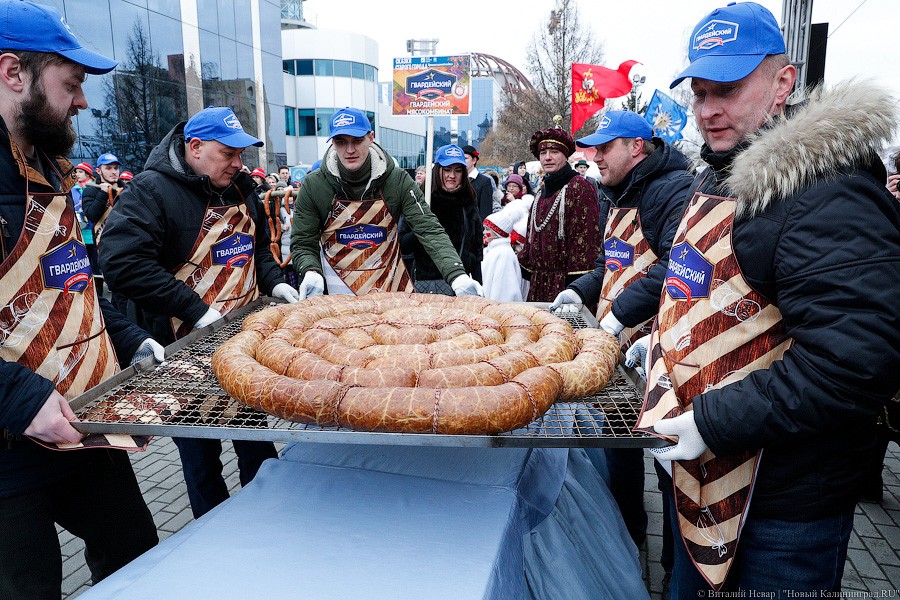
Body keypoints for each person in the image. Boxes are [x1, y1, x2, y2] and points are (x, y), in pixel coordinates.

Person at [632, 2, 900, 596]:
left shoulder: (828, 191)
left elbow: (855, 361)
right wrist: (658, 345)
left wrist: (712, 419)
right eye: (699, 93)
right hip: (699, 481)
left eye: (726, 89)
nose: (707, 110)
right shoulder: (722, 171)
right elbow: (704, 291)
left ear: (785, 81)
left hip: (779, 512)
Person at [0, 2, 164, 596]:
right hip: (10, 448)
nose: (84, 103)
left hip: (83, 423)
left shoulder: (53, 171)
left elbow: (73, 287)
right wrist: (19, 398)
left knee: (136, 559)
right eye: (71, 84)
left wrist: (132, 340)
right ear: (12, 72)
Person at [98, 106, 301, 519]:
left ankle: (269, 522)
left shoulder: (242, 187)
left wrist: (276, 281)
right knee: (201, 461)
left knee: (257, 449)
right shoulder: (151, 191)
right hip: (184, 354)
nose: (238, 163)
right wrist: (196, 310)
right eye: (228, 153)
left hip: (241, 347)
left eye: (241, 154)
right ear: (194, 148)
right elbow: (121, 263)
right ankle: (212, 543)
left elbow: (257, 247)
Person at [551, 110, 693, 553]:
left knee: (669, 462)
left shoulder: (671, 190)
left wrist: (621, 315)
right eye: (591, 147)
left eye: (604, 147)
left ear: (636, 146)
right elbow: (609, 263)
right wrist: (579, 291)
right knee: (620, 448)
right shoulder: (613, 194)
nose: (594, 157)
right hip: (618, 350)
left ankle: (673, 559)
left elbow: (676, 265)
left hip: (658, 351)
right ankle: (629, 537)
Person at [290, 107, 483, 299]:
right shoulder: (314, 185)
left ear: (371, 137)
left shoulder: (396, 180)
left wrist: (457, 274)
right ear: (332, 142)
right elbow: (303, 241)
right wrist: (310, 270)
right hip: (338, 294)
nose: (349, 150)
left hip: (392, 292)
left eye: (357, 141)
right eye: (341, 142)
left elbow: (428, 229)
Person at [516, 126, 602, 302]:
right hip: (539, 285)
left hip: (567, 288)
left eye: (554, 151)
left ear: (565, 155)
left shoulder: (579, 187)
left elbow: (587, 243)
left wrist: (577, 288)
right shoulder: (540, 192)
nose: (547, 157)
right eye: (543, 152)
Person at [400, 144, 483, 294]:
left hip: (459, 286)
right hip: (423, 284)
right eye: (447, 169)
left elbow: (476, 251)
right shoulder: (420, 201)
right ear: (437, 170)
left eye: (457, 170)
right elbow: (403, 243)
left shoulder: (468, 202)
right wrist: (424, 229)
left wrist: (478, 284)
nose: (452, 175)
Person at [482, 198, 531, 302]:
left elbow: (504, 291)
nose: (484, 232)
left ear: (498, 232)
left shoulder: (503, 254)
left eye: (487, 229)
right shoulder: (493, 251)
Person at [461, 144, 495, 221]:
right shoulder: (458, 180)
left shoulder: (484, 181)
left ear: (474, 160)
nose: (462, 161)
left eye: (465, 158)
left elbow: (485, 211)